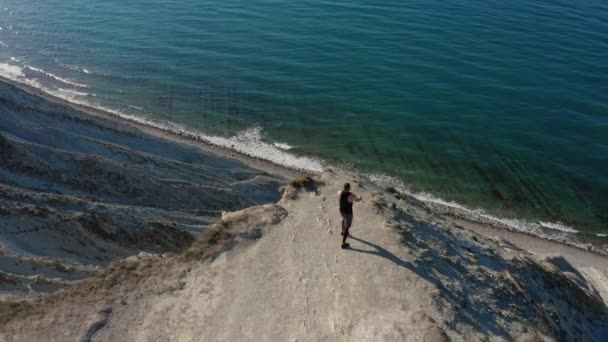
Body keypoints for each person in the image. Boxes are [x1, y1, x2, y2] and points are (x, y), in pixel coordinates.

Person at [338, 182, 362, 249]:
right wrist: (360, 198)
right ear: (349, 188)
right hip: (348, 213)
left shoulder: (340, 192)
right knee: (347, 227)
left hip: (341, 210)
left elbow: (338, 192)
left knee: (343, 219)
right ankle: (343, 242)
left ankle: (343, 231)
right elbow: (357, 200)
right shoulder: (351, 195)